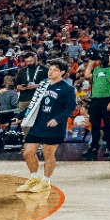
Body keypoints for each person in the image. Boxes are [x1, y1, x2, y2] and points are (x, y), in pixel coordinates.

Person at [17, 59, 78, 195]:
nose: (50, 71)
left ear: (62, 72)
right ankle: (34, 178)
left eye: (55, 69)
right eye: (50, 69)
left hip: (54, 126)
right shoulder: (43, 85)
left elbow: (71, 107)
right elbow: (33, 104)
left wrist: (58, 119)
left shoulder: (67, 88)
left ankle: (45, 181)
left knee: (48, 154)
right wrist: (21, 115)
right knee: (27, 152)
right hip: (38, 123)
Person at [85, 51, 110, 156]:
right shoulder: (98, 69)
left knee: (108, 124)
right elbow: (87, 75)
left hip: (108, 99)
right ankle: (94, 147)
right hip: (95, 99)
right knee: (95, 125)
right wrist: (90, 63)